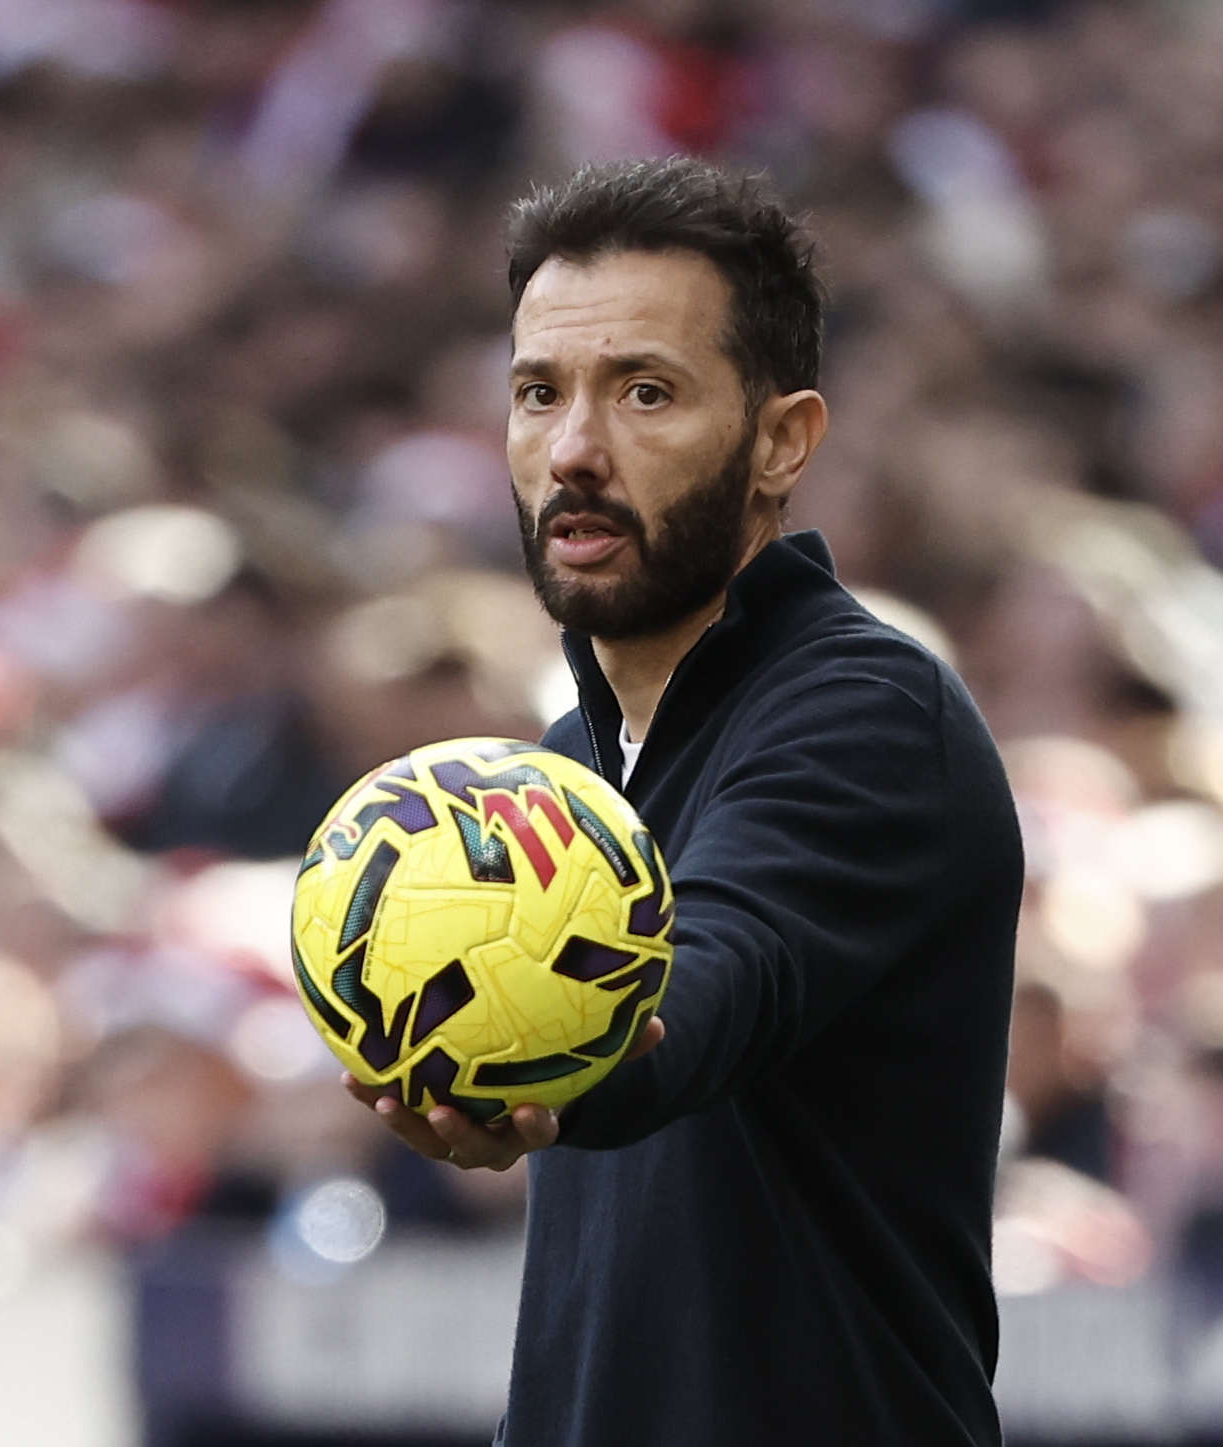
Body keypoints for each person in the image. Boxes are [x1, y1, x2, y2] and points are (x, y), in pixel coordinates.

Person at [344, 157, 1023, 1445]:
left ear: (784, 440)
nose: (575, 450)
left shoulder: (872, 714)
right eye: (540, 393)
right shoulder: (560, 770)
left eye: (643, 392)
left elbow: (708, 983)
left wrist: (545, 1075)